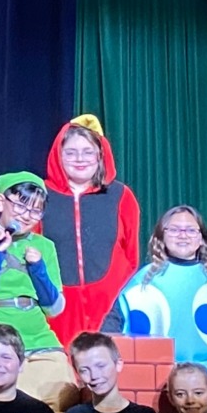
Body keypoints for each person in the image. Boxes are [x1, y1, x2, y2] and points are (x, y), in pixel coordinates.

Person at [104, 205, 207, 389]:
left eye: (190, 230)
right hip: (156, 375)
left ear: (201, 238)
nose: (182, 235)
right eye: (174, 230)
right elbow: (112, 325)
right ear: (161, 237)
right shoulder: (142, 281)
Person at [0, 172, 71, 406]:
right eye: (21, 206)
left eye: (36, 210)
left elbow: (54, 308)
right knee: (12, 398)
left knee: (65, 393)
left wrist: (38, 269)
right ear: (1, 202)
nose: (27, 215)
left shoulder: (45, 246)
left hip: (37, 337)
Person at [41, 116, 142, 343]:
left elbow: (131, 254)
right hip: (58, 307)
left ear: (100, 155)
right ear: (58, 155)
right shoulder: (42, 195)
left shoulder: (121, 196)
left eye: (88, 152)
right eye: (71, 152)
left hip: (109, 305)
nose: (80, 159)